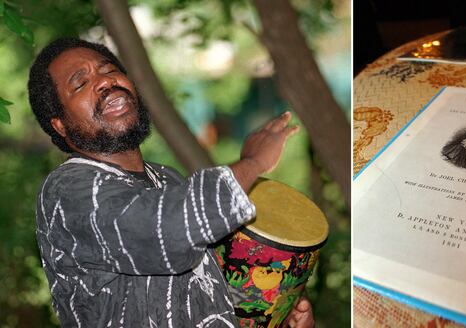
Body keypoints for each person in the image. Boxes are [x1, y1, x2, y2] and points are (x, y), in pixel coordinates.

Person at [28, 37, 314, 328]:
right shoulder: (66, 192)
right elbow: (167, 230)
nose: (104, 82)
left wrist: (274, 314)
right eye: (80, 83)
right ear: (60, 125)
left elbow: (210, 293)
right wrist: (253, 162)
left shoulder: (166, 180)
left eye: (109, 69)